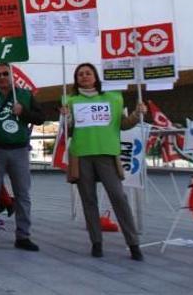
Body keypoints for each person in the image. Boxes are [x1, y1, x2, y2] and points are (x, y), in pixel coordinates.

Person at [61, 63, 145, 261]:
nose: (84, 76)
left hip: (107, 154)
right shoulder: (69, 100)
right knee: (88, 200)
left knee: (118, 197)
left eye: (88, 73)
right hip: (81, 155)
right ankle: (96, 242)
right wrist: (66, 119)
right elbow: (69, 131)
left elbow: (123, 125)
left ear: (95, 76)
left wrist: (137, 114)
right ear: (76, 78)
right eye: (80, 74)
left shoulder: (113, 98)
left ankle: (133, 243)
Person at [0, 63, 45, 252]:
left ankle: (23, 235)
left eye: (6, 73)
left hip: (19, 150)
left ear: (12, 75)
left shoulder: (24, 95)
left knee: (23, 194)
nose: (2, 77)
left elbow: (40, 118)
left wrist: (24, 112)